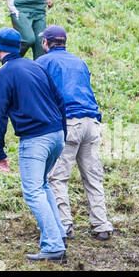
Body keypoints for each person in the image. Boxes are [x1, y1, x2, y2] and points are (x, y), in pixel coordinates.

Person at [0, 27, 68, 261]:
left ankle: (53, 246)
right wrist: (62, 132)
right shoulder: (36, 65)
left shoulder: (4, 72)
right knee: (42, 186)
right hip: (56, 135)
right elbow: (60, 100)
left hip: (35, 139)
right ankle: (59, 234)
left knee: (32, 191)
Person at [39, 25, 113, 241]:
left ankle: (64, 225)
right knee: (92, 176)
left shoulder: (44, 62)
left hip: (69, 122)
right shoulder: (79, 61)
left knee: (57, 177)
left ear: (46, 43)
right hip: (91, 122)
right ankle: (101, 226)